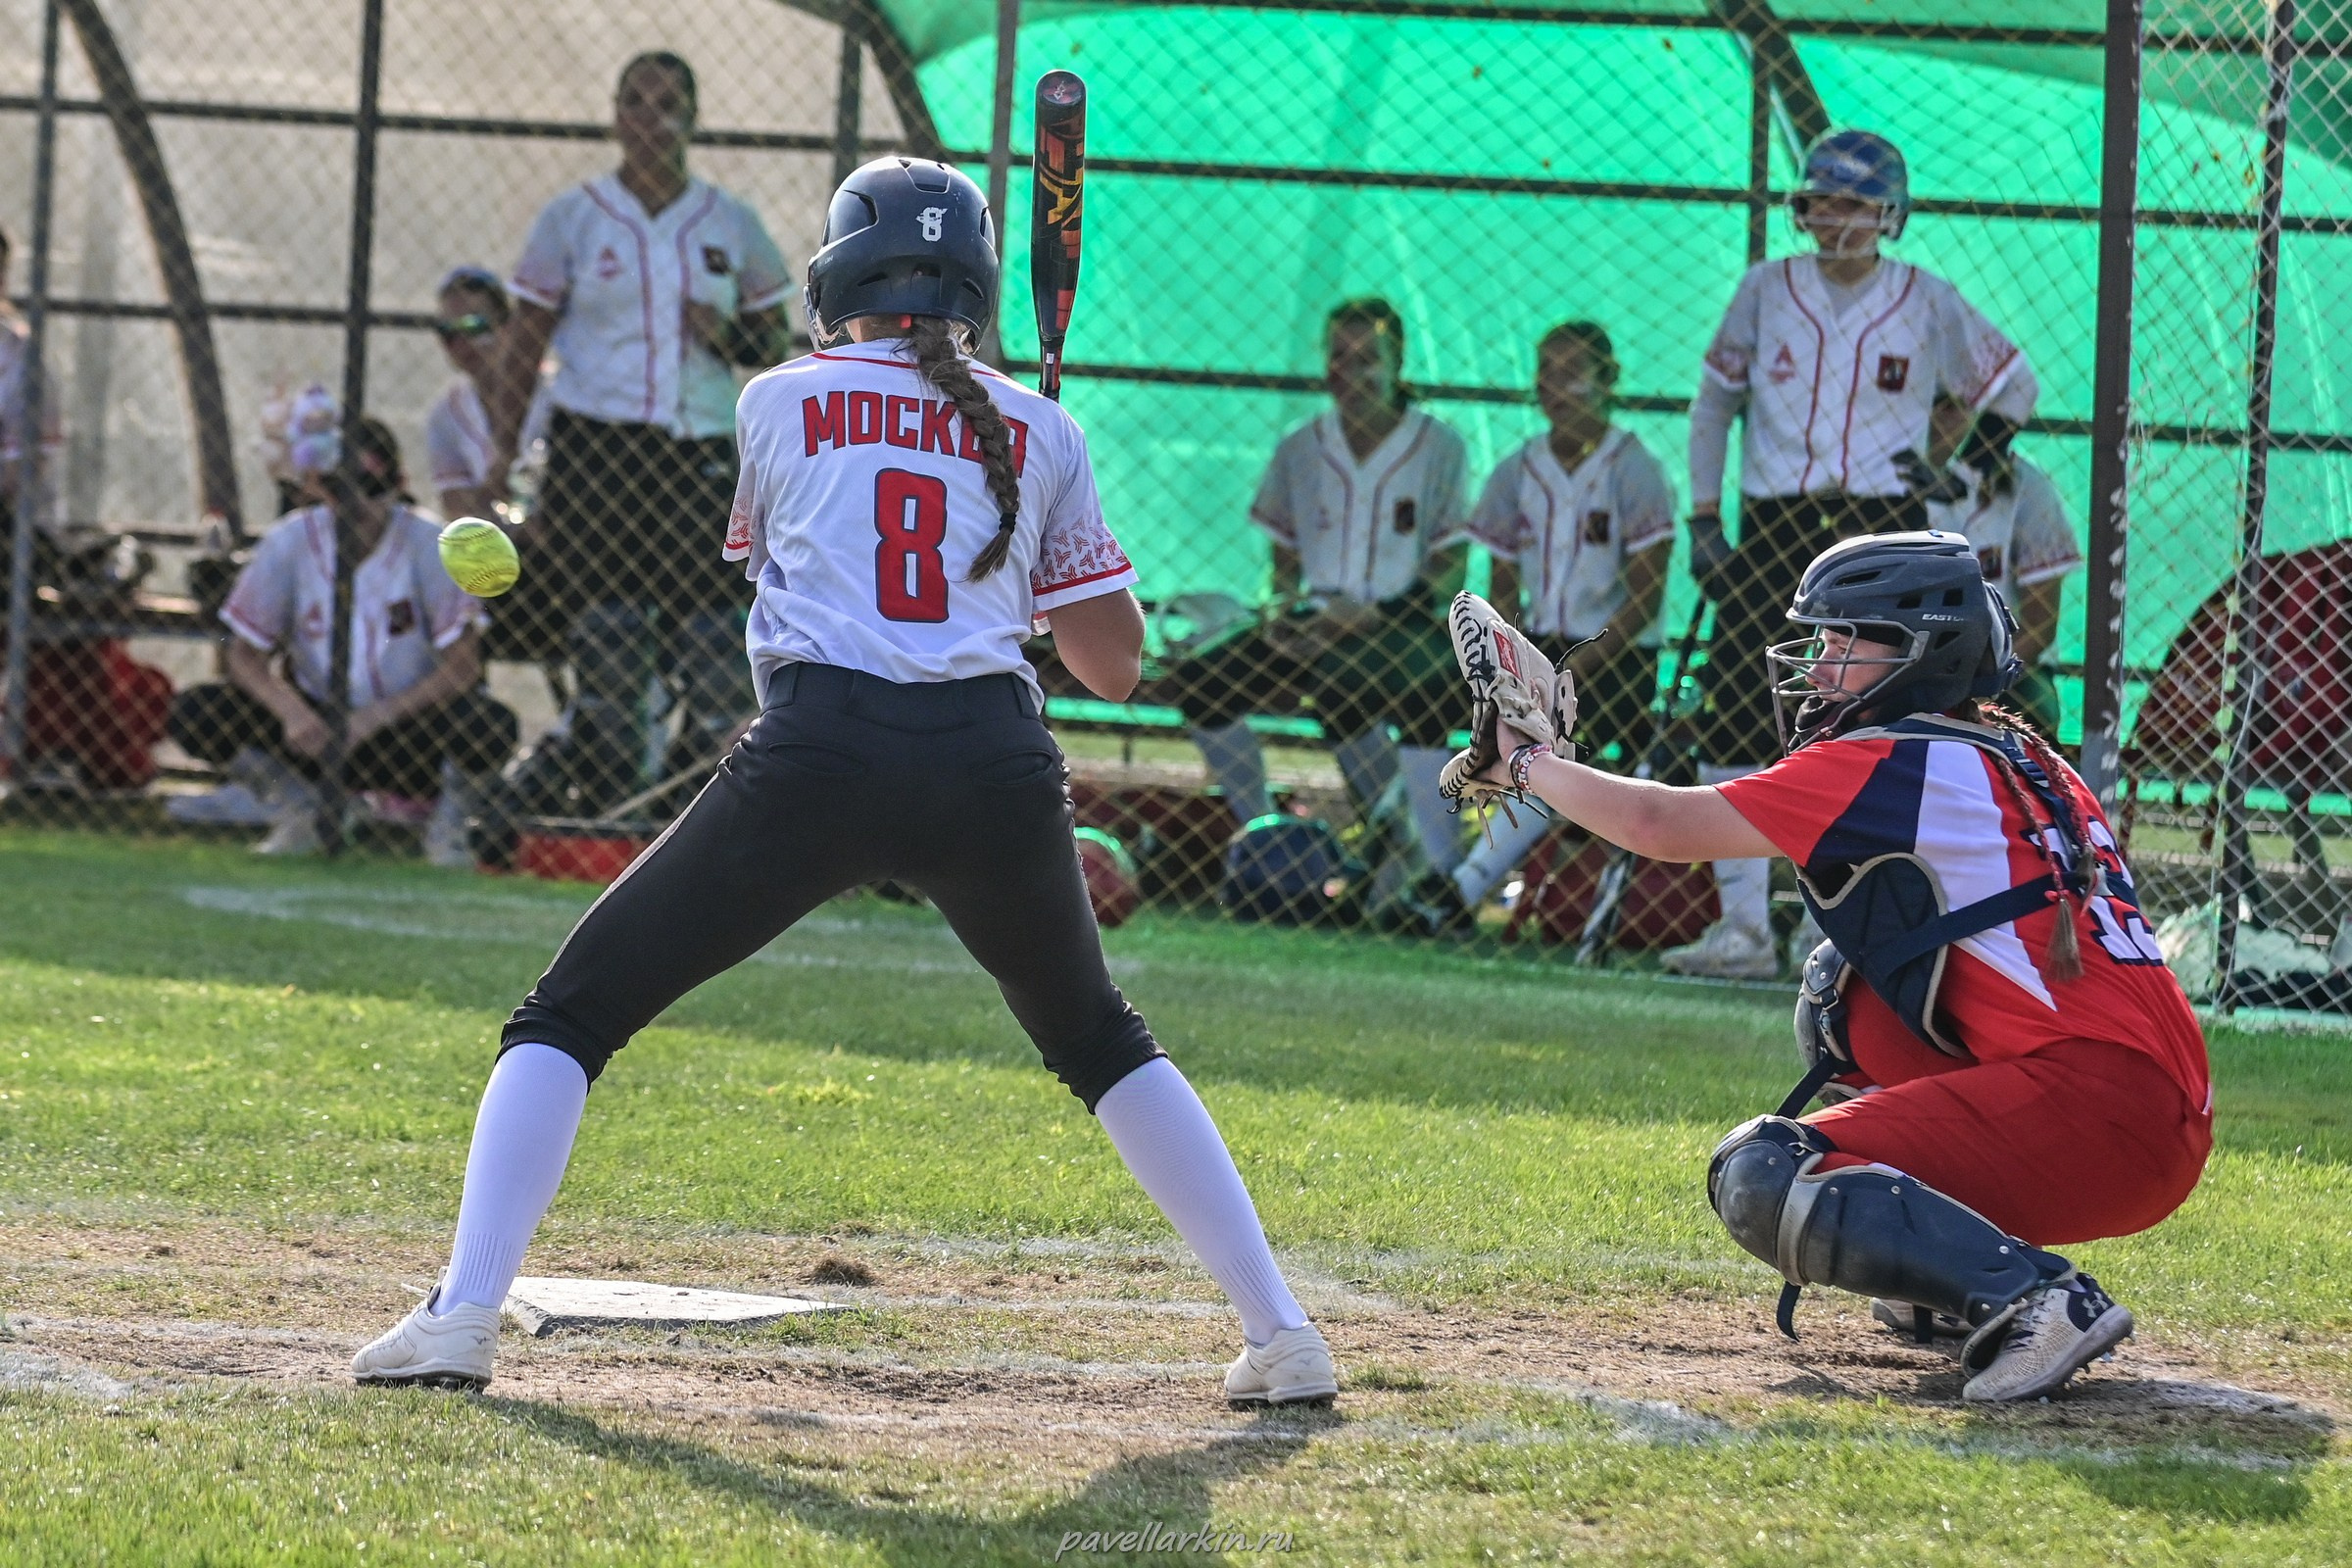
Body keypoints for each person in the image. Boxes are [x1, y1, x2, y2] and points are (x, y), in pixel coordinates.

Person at [351, 157, 1340, 1408]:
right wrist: (1033, 526)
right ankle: (1284, 1334)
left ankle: (462, 1315)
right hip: (993, 766)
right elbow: (1117, 664)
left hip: (819, 754)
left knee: (568, 1017)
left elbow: (807, 562)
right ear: (978, 286)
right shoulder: (1042, 430)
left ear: (838, 278)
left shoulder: (774, 399)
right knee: (1099, 1040)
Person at [1460, 531, 2209, 1401]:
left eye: (1841, 642)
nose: (1817, 668)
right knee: (1843, 997)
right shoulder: (2022, 754)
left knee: (1764, 1173)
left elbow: (1660, 829)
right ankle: (1955, 1281)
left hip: (2101, 1116)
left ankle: (2037, 1297)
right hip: (2149, 1106)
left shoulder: (1898, 759)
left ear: (1918, 650)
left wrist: (1526, 761)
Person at [1673, 129, 2040, 978]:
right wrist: (1702, 518)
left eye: (1854, 203)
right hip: (1775, 518)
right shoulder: (1766, 290)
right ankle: (1742, 931)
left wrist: (1964, 466)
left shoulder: (1923, 297)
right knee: (1737, 697)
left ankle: (1828, 928)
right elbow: (1712, 407)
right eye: (1823, 200)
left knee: (1864, 720)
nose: (1836, 218)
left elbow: (2014, 381)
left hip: (1881, 526)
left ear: (1889, 214)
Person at [485, 50, 792, 810]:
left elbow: (773, 335)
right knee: (611, 636)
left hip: (697, 453)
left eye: (666, 104)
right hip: (600, 446)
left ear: (692, 118)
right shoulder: (575, 217)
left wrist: (725, 335)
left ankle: (706, 805)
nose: (649, 120)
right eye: (635, 102)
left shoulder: (728, 221)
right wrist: (503, 446)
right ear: (614, 115)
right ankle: (609, 801)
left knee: (717, 636)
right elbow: (526, 337)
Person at [1165, 298, 1469, 917]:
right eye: (1340, 356)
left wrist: (1371, 617)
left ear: (1397, 362)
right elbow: (1283, 566)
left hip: (1399, 626)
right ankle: (1272, 838)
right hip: (1311, 623)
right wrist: (1280, 616)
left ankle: (1402, 850)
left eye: (1368, 359)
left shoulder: (1440, 446)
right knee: (1203, 683)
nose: (1352, 373)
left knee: (1342, 690)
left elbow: (1450, 568)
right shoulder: (1300, 448)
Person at [166, 413, 517, 861]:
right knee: (199, 711)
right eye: (336, 489)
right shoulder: (290, 542)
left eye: (367, 486)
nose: (352, 506)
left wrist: (372, 719)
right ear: (318, 488)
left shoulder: (431, 544)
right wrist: (291, 712)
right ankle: (298, 807)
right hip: (316, 727)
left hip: (404, 729)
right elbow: (244, 655)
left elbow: (463, 667)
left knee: (488, 725)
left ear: (398, 482)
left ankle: (448, 824)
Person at [1437, 319, 1674, 923]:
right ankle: (1429, 871)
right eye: (1546, 371)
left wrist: (1567, 669)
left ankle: (1462, 888)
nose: (1555, 386)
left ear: (1608, 381)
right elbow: (1501, 585)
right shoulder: (1518, 470)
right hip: (1533, 643)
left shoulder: (1635, 467)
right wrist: (1511, 661)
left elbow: (1644, 599)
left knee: (1543, 741)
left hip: (1614, 658)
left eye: (1573, 372)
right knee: (1460, 711)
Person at [1923, 397, 2079, 740]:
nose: (1938, 419)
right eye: (1928, 402)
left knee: (2037, 710)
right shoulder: (1882, 483)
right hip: (1905, 663)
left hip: (2001, 666)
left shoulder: (2027, 486)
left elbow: (2039, 628)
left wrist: (1974, 686)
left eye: (1952, 406)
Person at [421, 266, 549, 526]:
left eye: (474, 326)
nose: (461, 344)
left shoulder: (556, 396)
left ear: (508, 327)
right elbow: (456, 508)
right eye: (448, 332)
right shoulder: (445, 415)